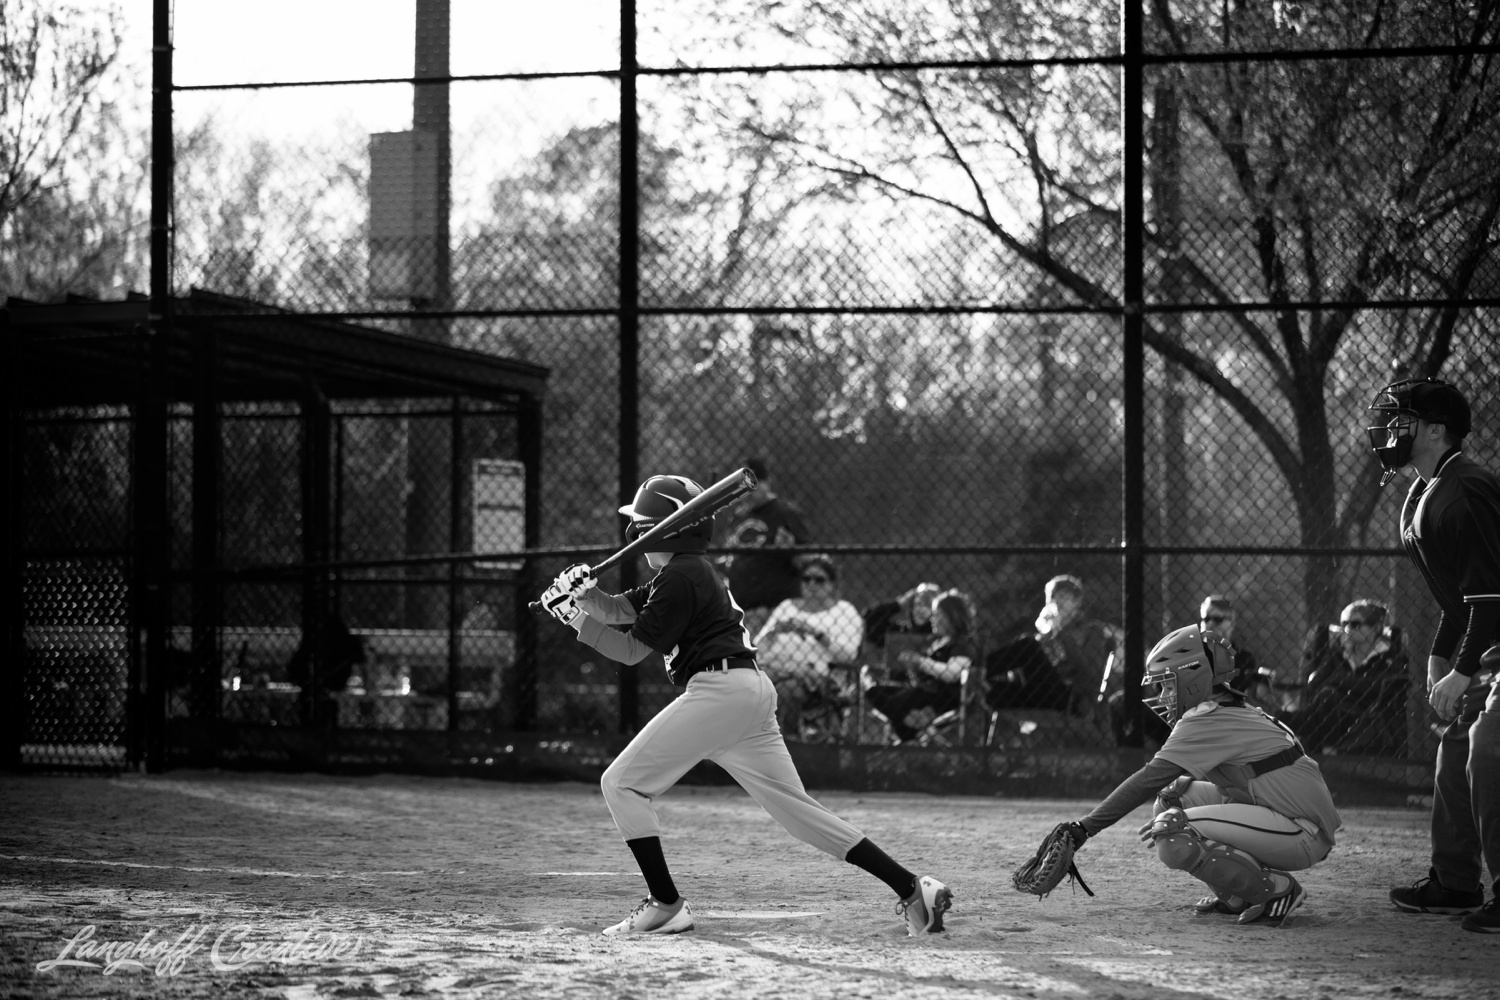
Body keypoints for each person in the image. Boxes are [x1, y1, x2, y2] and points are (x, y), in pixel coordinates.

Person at [539, 474, 952, 937]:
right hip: (747, 692)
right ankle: (913, 888)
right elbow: (618, 610)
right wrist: (583, 594)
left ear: (668, 529)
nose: (637, 534)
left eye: (644, 525)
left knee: (621, 784)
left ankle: (666, 904)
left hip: (720, 693)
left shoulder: (680, 575)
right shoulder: (684, 572)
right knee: (800, 815)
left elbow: (632, 651)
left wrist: (573, 618)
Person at [1053, 624, 1341, 925]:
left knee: (1171, 830)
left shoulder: (1206, 718)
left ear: (1192, 679)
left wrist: (1084, 828)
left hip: (1301, 831)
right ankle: (1236, 896)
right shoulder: (1225, 709)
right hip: (1280, 815)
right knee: (1172, 798)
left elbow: (1148, 778)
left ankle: (1278, 890)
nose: (1162, 696)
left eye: (1166, 684)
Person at [1367, 377, 1500, 933]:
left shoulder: (1465, 486)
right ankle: (1455, 882)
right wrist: (1438, 661)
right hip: (1489, 643)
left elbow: (1493, 597)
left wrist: (1463, 671)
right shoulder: (1425, 491)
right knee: (1454, 749)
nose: (1390, 429)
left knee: (1490, 749)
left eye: (1406, 420)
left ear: (1438, 431)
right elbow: (1461, 599)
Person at [754, 554, 864, 738]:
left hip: (819, 678)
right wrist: (774, 631)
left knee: (787, 689)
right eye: (806, 579)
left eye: (819, 580)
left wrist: (816, 633)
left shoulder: (845, 611)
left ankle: (790, 741)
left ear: (832, 585)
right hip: (775, 668)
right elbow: (757, 650)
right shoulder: (786, 607)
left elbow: (848, 657)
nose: (811, 585)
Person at [986, 574, 1121, 717]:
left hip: (1070, 698)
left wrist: (1060, 633)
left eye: (1063, 596)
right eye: (1052, 599)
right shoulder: (1047, 634)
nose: (1057, 602)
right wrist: (1044, 637)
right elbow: (1024, 671)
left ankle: (977, 667)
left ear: (1077, 601)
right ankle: (969, 675)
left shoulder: (1093, 631)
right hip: (1037, 693)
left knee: (1028, 644)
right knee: (988, 689)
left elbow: (1089, 673)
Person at [1292, 599, 1410, 756]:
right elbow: (1316, 683)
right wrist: (1348, 681)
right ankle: (1329, 751)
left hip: (1369, 714)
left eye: (1355, 624)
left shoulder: (1388, 654)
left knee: (1329, 692)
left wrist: (1339, 681)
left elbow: (1380, 687)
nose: (1347, 629)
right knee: (1327, 694)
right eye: (1344, 624)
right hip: (1336, 713)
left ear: (1375, 628)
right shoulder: (1338, 650)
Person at [863, 589, 977, 744]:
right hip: (924, 692)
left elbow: (952, 674)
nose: (933, 619)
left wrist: (920, 661)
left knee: (898, 704)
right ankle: (913, 727)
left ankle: (912, 735)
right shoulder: (937, 643)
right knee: (874, 692)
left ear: (951, 617)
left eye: (937, 614)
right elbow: (918, 681)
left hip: (943, 697)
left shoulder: (962, 643)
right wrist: (911, 666)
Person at [716, 456, 812, 638]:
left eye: (753, 484)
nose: (747, 491)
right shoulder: (738, 517)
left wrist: (790, 550)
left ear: (767, 482)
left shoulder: (785, 512)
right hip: (741, 612)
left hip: (774, 610)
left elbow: (809, 564)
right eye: (742, 487)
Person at [860, 581, 941, 648]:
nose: (922, 610)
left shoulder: (938, 636)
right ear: (911, 606)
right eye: (919, 604)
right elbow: (869, 618)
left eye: (928, 605)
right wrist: (898, 604)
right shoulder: (900, 631)